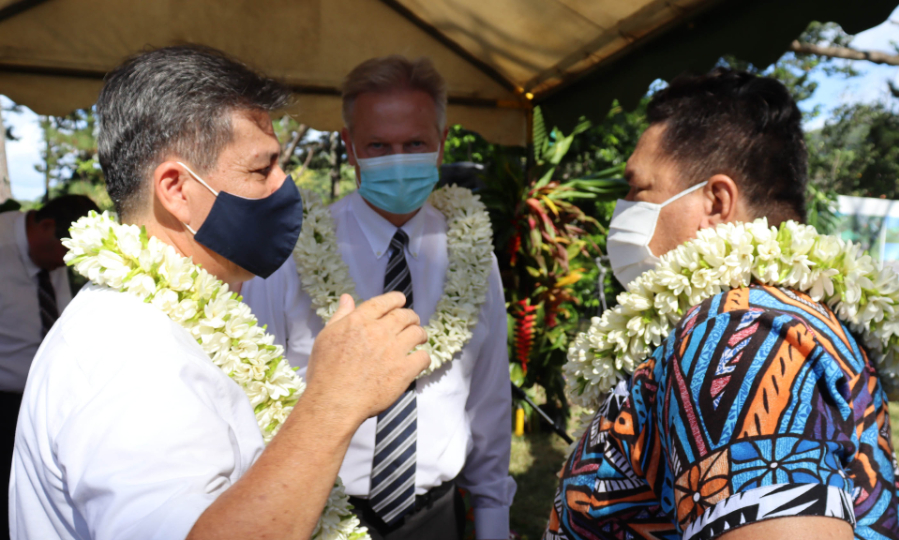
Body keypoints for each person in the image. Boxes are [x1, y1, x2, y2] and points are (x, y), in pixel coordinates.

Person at [10, 45, 429, 540]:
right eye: (260, 170)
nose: (284, 185)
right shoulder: (127, 350)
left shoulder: (174, 321)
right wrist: (334, 401)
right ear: (176, 189)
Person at [547, 69, 899, 540]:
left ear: (716, 202)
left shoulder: (741, 335)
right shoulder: (781, 313)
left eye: (637, 189)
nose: (623, 207)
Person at [242, 55, 514, 540]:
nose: (398, 159)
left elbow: (489, 399)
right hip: (319, 514)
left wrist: (492, 520)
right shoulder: (291, 250)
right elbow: (253, 392)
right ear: (350, 147)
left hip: (438, 516)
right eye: (378, 145)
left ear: (441, 142)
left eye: (414, 143)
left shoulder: (473, 251)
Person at [0, 194, 98, 538]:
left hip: (49, 398)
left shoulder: (48, 255)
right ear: (45, 227)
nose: (67, 264)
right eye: (66, 253)